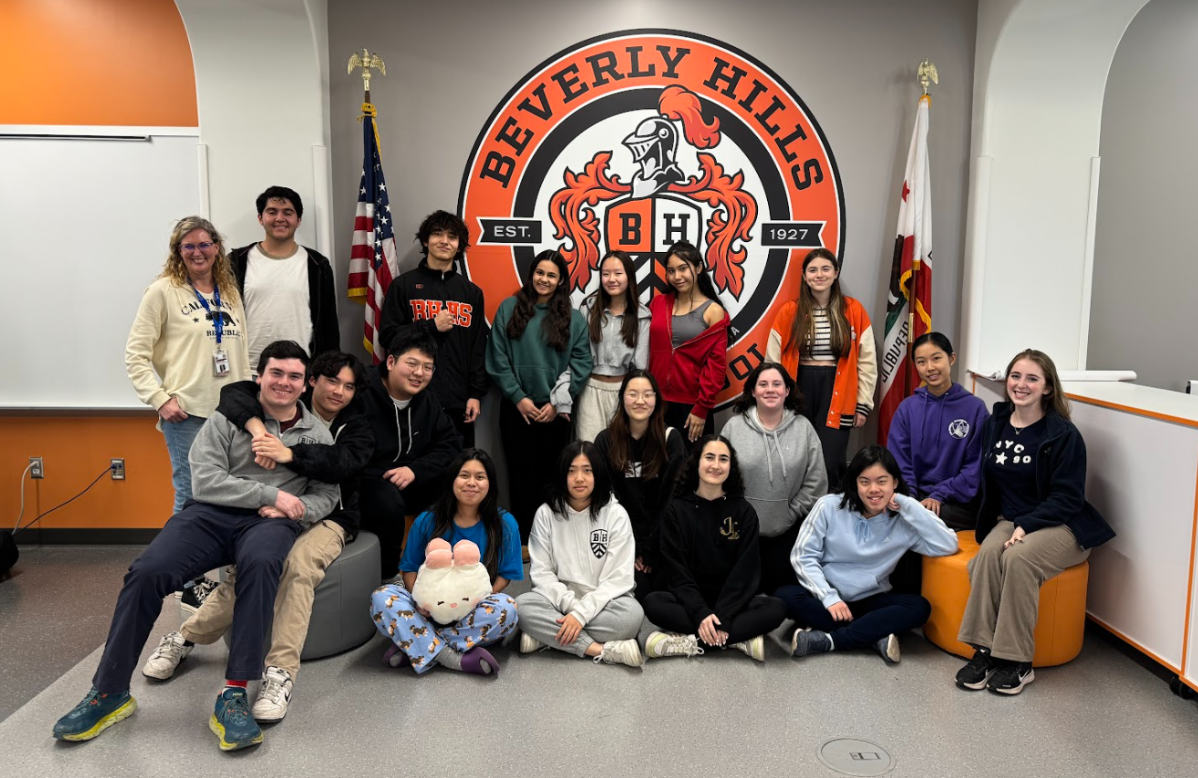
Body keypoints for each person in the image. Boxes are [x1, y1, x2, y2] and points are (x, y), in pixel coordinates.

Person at [52, 341, 340, 751]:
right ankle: (109, 692)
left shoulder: (318, 433)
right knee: (146, 572)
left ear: (305, 383)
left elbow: (327, 495)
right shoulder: (228, 417)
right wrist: (272, 496)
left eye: (294, 376)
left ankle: (234, 693)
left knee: (261, 567)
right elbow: (204, 479)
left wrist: (296, 509)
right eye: (276, 373)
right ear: (260, 376)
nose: (284, 383)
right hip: (210, 514)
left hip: (268, 525)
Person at [140, 351, 372, 723]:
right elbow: (233, 393)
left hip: (330, 514)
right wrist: (260, 433)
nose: (338, 392)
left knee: (297, 568)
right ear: (311, 381)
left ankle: (280, 673)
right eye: (331, 381)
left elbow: (341, 466)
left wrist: (287, 455)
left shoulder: (356, 425)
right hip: (268, 513)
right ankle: (184, 638)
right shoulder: (267, 406)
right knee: (254, 568)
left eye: (348, 386)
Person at [954, 349, 1115, 696]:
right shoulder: (995, 423)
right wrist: (1008, 524)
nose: (1021, 385)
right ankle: (983, 651)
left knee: (1018, 559)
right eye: (1015, 376)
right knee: (987, 557)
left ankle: (1016, 661)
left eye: (1031, 378)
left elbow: (1068, 498)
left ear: (1047, 388)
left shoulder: (1063, 435)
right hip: (1012, 520)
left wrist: (1027, 524)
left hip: (1063, 525)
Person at [778, 445, 959, 664]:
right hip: (828, 599)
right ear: (855, 483)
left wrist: (908, 504)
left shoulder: (903, 521)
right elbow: (803, 556)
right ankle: (873, 634)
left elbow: (947, 544)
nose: (873, 489)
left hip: (873, 600)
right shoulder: (828, 506)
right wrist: (829, 598)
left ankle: (830, 640)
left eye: (882, 481)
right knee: (785, 597)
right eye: (865, 482)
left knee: (920, 607)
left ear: (895, 482)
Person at [126, 216, 251, 514]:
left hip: (231, 413)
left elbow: (242, 351)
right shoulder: (162, 291)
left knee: (231, 491)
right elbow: (135, 354)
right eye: (189, 246)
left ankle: (222, 560)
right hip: (188, 413)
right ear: (178, 251)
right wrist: (160, 400)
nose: (198, 252)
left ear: (217, 248)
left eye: (205, 244)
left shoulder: (229, 291)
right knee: (191, 495)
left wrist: (249, 401)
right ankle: (180, 560)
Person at [370, 449, 522, 676]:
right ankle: (453, 657)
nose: (472, 483)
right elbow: (409, 569)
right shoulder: (427, 519)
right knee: (381, 598)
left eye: (480, 477)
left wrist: (476, 599)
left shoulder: (505, 523)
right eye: (464, 476)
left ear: (490, 484)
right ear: (451, 480)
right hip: (428, 611)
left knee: (507, 609)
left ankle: (416, 643)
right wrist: (421, 602)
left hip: (473, 610)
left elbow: (505, 575)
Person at [642, 435, 787, 661]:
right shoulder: (676, 510)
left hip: (732, 601)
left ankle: (688, 642)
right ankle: (736, 639)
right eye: (709, 457)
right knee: (653, 603)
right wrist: (700, 612)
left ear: (731, 466)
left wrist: (723, 615)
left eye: (723, 459)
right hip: (689, 599)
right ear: (697, 461)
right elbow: (675, 571)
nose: (716, 465)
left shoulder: (744, 511)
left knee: (776, 608)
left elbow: (746, 573)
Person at [486, 249, 592, 542]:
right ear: (531, 275)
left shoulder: (573, 318)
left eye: (551, 275)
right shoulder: (509, 309)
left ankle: (551, 540)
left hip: (556, 411)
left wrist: (558, 402)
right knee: (519, 477)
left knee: (554, 478)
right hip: (517, 407)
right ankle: (522, 540)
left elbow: (582, 363)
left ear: (561, 281)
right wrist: (518, 396)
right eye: (539, 273)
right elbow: (497, 358)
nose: (544, 279)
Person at [515, 441, 645, 667]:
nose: (579, 478)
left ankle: (546, 637)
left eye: (587, 471)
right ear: (562, 475)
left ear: (598, 475)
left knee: (632, 616)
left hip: (607, 602)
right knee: (521, 607)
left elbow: (619, 578)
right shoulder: (546, 514)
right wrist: (574, 611)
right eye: (571, 471)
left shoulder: (615, 514)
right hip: (560, 601)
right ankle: (600, 649)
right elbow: (542, 574)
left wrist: (581, 615)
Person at [767, 247, 876, 485]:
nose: (819, 275)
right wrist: (774, 398)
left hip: (838, 393)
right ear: (804, 275)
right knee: (795, 460)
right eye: (813, 270)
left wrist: (863, 403)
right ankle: (797, 519)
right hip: (798, 390)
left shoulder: (853, 310)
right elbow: (773, 362)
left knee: (831, 462)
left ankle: (830, 516)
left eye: (825, 269)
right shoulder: (789, 312)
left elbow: (867, 362)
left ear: (836, 273)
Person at [379, 210, 489, 446]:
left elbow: (479, 347)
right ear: (426, 240)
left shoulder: (471, 293)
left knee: (458, 469)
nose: (444, 241)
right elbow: (388, 337)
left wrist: (475, 394)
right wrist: (430, 326)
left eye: (452, 236)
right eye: (437, 234)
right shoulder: (403, 285)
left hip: (459, 401)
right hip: (413, 397)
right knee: (418, 470)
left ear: (459, 246)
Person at [359, 328, 463, 579]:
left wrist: (415, 470)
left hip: (412, 475)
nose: (420, 373)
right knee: (387, 500)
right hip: (370, 479)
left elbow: (450, 444)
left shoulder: (427, 400)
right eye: (413, 363)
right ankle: (389, 575)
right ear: (392, 361)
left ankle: (455, 561)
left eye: (428, 367)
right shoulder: (362, 391)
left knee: (465, 476)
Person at [722, 362, 827, 594]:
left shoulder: (804, 428)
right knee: (739, 592)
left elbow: (816, 481)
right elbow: (720, 477)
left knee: (782, 596)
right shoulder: (733, 427)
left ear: (787, 391)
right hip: (740, 532)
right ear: (753, 391)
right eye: (763, 384)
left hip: (788, 530)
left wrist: (792, 512)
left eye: (777, 384)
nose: (770, 389)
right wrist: (737, 512)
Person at [594, 371, 687, 600]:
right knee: (640, 590)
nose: (640, 401)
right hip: (622, 539)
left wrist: (652, 550)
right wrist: (632, 549)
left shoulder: (670, 439)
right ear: (622, 398)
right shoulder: (605, 441)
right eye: (632, 394)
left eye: (647, 395)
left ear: (656, 400)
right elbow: (604, 501)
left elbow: (674, 500)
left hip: (663, 540)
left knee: (668, 590)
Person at [888, 332, 989, 531]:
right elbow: (899, 461)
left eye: (936, 358)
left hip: (957, 500)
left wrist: (939, 494)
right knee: (894, 513)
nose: (930, 367)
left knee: (919, 520)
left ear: (951, 358)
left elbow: (974, 469)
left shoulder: (975, 409)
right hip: (915, 495)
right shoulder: (907, 408)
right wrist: (909, 499)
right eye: (921, 362)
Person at [230, 185, 339, 369]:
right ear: (260, 218)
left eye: (287, 212)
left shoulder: (317, 264)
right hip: (247, 370)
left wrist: (327, 369)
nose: (280, 218)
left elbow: (328, 325)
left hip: (301, 370)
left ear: (298, 220)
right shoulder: (236, 262)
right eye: (272, 212)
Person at [648, 240, 729, 450]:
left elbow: (717, 367)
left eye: (683, 268)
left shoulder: (713, 311)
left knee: (688, 470)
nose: (677, 276)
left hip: (692, 407)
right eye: (671, 271)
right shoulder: (657, 304)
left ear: (699, 267)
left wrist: (702, 408)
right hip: (655, 404)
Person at [576, 250, 651, 443]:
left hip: (624, 391)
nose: (611, 279)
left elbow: (641, 365)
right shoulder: (588, 308)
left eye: (618, 273)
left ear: (629, 276)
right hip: (589, 390)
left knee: (619, 453)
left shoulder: (642, 316)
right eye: (606, 274)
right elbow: (578, 354)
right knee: (588, 450)